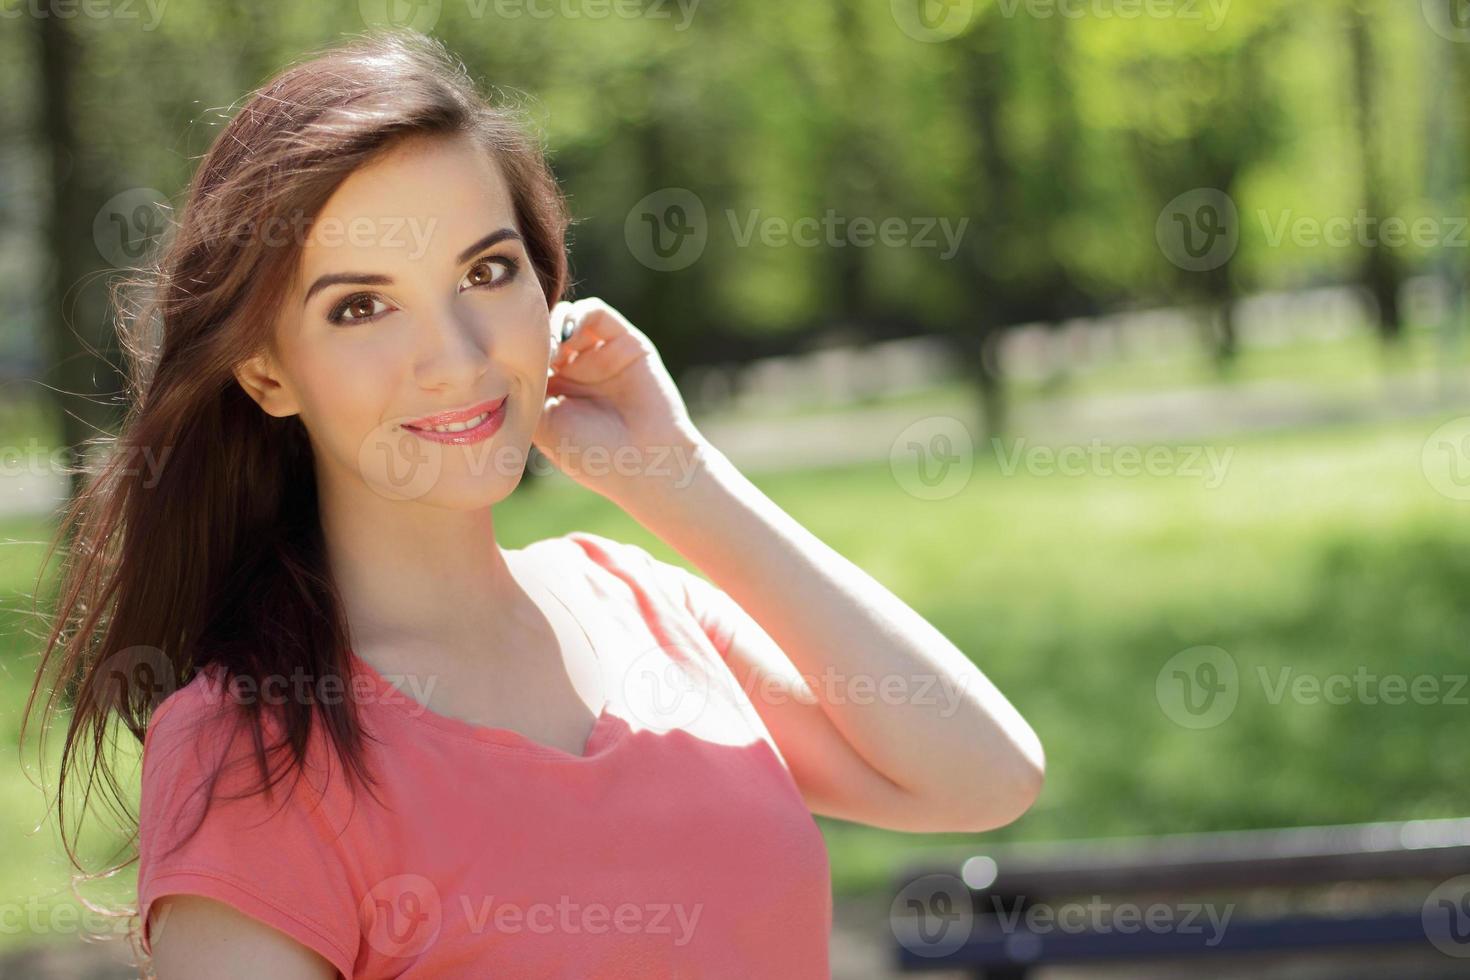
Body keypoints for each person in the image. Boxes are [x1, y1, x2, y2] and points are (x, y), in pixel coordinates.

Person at [24, 28, 1044, 979]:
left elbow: (987, 774)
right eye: (361, 305)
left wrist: (675, 474)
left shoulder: (647, 607)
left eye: (486, 270)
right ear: (265, 371)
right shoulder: (251, 743)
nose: (459, 358)